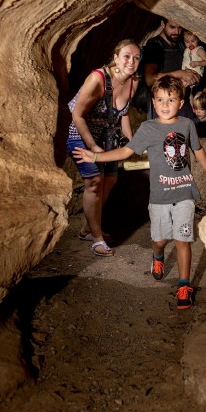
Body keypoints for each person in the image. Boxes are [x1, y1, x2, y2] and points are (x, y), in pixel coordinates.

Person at [73, 76, 206, 309]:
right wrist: (96, 156)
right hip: (160, 197)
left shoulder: (187, 125)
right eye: (160, 99)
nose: (165, 104)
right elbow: (125, 152)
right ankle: (158, 256)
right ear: (153, 101)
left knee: (183, 240)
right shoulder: (148, 128)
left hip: (184, 193)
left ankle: (183, 286)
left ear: (181, 103)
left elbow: (197, 149)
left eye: (171, 100)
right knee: (160, 240)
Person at [66, 39, 140, 257]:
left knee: (110, 180)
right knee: (95, 181)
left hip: (106, 132)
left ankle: (87, 228)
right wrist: (93, 146)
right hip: (79, 131)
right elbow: (77, 115)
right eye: (126, 56)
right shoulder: (97, 78)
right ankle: (97, 238)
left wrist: (131, 141)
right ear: (115, 57)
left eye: (136, 57)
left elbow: (123, 113)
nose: (131, 61)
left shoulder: (133, 82)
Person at [140, 18, 199, 119]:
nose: (176, 32)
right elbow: (150, 79)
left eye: (180, 28)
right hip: (163, 106)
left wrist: (194, 77)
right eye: (172, 27)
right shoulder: (155, 45)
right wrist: (180, 74)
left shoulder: (182, 44)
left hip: (184, 103)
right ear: (163, 24)